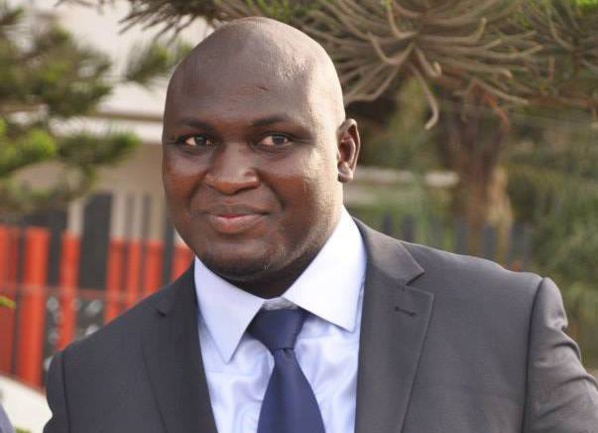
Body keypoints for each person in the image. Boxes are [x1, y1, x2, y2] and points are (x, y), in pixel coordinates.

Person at [44, 17, 598, 433]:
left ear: (344, 151)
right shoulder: (93, 382)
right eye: (196, 141)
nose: (230, 177)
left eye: (275, 139)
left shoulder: (504, 324)